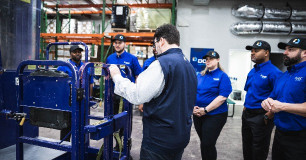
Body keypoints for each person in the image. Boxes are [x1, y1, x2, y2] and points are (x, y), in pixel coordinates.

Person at [109, 24, 197, 160]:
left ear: (161, 41)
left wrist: (116, 76)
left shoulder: (161, 64)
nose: (155, 48)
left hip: (159, 141)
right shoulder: (189, 66)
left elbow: (136, 95)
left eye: (154, 43)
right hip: (180, 136)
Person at [261, 37, 306, 160]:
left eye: (290, 49)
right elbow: (273, 97)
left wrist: (281, 106)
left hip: (300, 137)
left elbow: (280, 104)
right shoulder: (285, 75)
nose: (285, 52)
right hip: (280, 133)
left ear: (304, 53)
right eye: (285, 49)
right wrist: (267, 103)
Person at [242, 40, 282, 160]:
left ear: (266, 53)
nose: (252, 53)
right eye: (252, 51)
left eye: (256, 51)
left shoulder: (275, 72)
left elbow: (279, 96)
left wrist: (269, 114)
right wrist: (245, 107)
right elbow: (248, 91)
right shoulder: (252, 71)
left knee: (259, 148)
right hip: (247, 114)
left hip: (261, 115)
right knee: (247, 146)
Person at [193, 50, 232, 160]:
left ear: (218, 60)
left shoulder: (222, 76)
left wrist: (205, 110)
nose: (208, 61)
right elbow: (192, 92)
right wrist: (193, 107)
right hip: (198, 114)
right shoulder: (200, 75)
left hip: (215, 115)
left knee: (208, 143)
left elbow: (222, 97)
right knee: (204, 143)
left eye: (211, 59)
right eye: (207, 59)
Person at [106, 34, 143, 150]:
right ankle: (115, 148)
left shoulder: (132, 58)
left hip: (126, 98)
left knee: (125, 124)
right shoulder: (110, 58)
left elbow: (139, 76)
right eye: (115, 43)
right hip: (113, 96)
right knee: (112, 122)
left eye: (120, 43)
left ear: (124, 44)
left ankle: (125, 150)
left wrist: (138, 94)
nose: (117, 45)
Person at [57, 45, 94, 141]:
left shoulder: (85, 67)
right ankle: (65, 148)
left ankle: (79, 150)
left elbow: (90, 83)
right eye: (75, 52)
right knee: (67, 127)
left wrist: (89, 98)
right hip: (68, 102)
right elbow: (57, 84)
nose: (77, 53)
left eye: (79, 52)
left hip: (82, 101)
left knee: (81, 126)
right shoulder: (63, 67)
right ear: (70, 54)